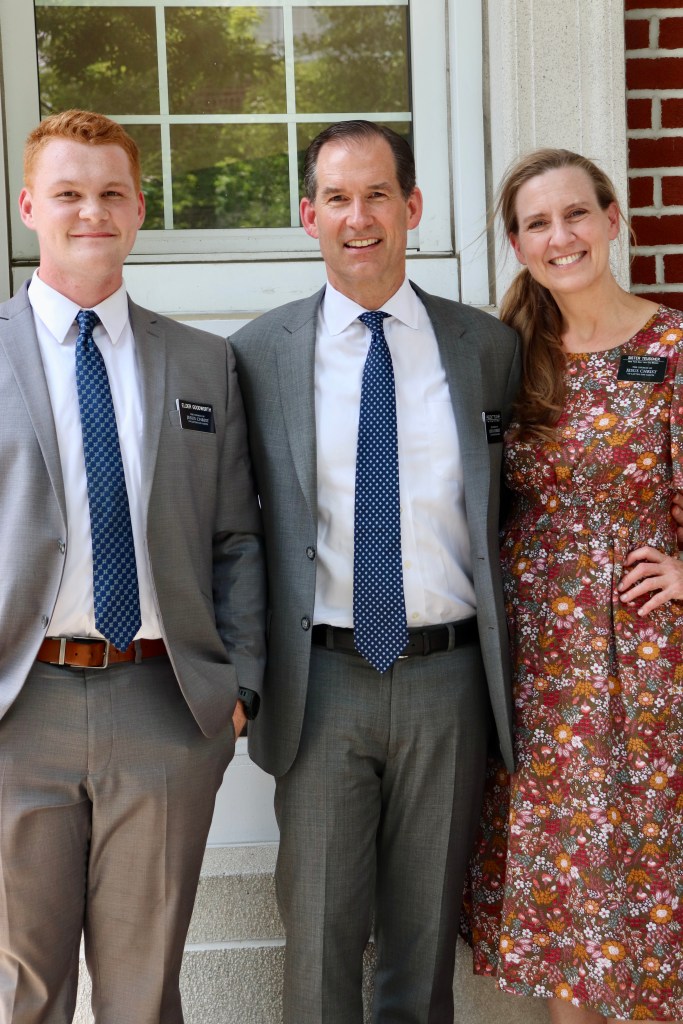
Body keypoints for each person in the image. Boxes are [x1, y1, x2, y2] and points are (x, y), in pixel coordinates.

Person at [230, 119, 520, 1024]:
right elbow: (232, 530)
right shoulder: (257, 353)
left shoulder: (485, 348)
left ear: (412, 206)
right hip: (320, 681)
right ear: (309, 215)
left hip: (449, 679)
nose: (358, 218)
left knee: (423, 941)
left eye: (378, 195)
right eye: (337, 199)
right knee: (318, 935)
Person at [0, 109, 266, 1023]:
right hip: (18, 709)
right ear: (29, 205)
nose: (92, 211)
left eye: (112, 192)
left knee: (144, 993)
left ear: (139, 207)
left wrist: (239, 687)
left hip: (162, 705)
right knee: (24, 991)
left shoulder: (201, 362)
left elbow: (235, 538)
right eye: (69, 193)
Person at [464, 147, 683, 1024]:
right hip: (536, 667)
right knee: (567, 897)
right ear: (517, 244)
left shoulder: (671, 347)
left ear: (612, 220)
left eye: (575, 214)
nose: (560, 236)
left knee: (645, 878)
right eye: (537, 223)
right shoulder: (508, 355)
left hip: (645, 663)